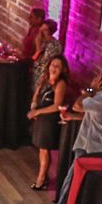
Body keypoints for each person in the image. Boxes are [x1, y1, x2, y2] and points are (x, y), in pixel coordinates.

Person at [39, 66, 102, 204]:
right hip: (93, 144)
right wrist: (71, 117)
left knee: (72, 179)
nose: (96, 78)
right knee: (73, 179)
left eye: (99, 77)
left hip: (91, 146)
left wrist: (90, 90)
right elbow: (93, 115)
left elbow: (78, 105)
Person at [28, 56, 70, 190]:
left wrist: (38, 112)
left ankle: (41, 179)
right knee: (42, 149)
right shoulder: (45, 79)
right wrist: (33, 107)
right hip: (41, 119)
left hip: (50, 120)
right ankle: (43, 177)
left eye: (57, 66)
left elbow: (57, 105)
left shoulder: (61, 84)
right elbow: (36, 94)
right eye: (52, 65)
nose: (53, 68)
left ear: (63, 69)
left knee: (45, 150)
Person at [31, 20, 63, 89]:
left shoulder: (54, 45)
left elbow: (43, 62)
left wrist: (38, 47)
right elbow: (34, 58)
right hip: (35, 75)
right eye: (41, 30)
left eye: (45, 30)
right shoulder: (43, 42)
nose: (41, 33)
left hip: (44, 78)